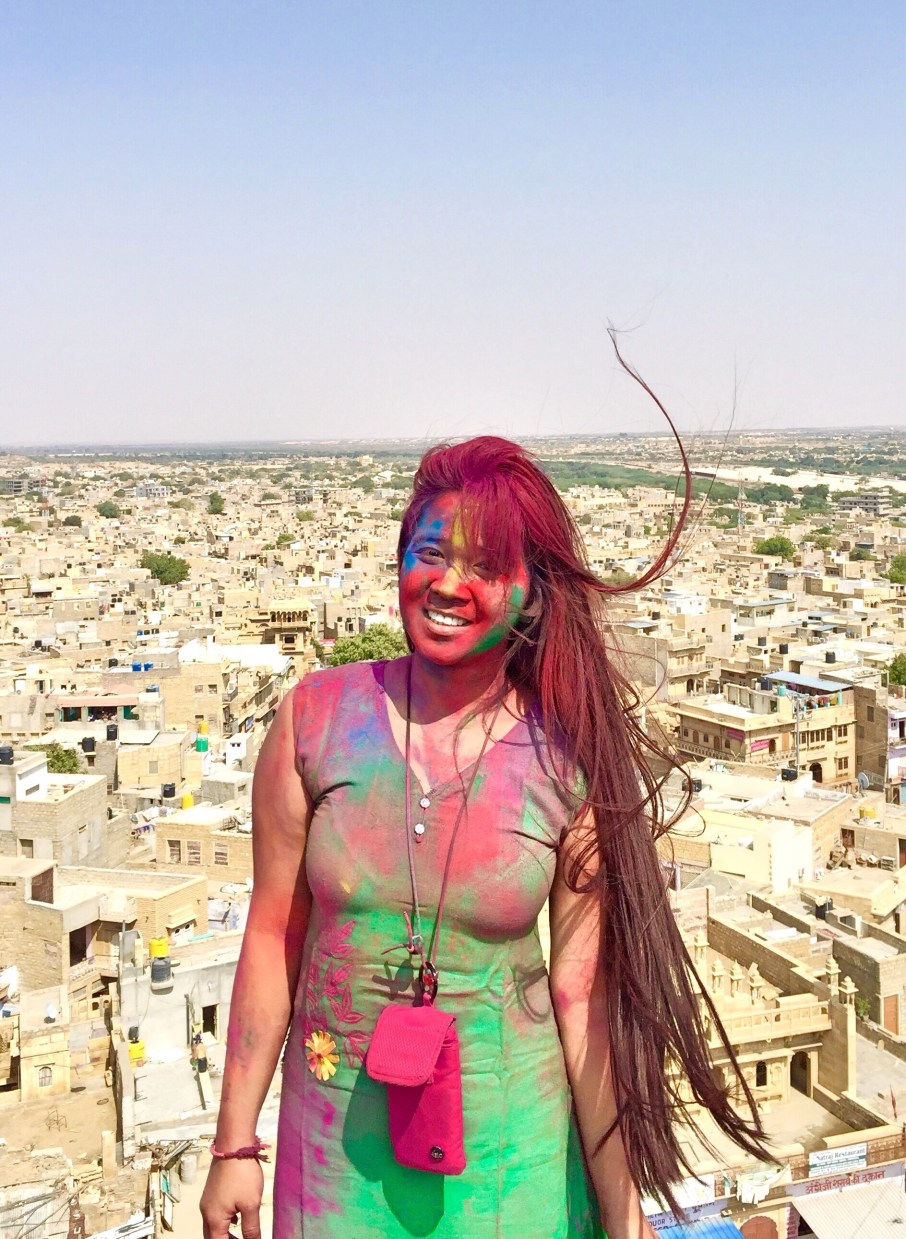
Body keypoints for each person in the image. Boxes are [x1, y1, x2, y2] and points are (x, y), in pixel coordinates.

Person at [201, 429, 767, 1239]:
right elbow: (272, 934)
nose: (448, 583)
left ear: (531, 594)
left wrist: (622, 1210)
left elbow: (581, 996)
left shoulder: (564, 760)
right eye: (430, 552)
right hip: (334, 1160)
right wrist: (235, 1143)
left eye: (486, 567)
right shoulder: (316, 721)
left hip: (510, 1165)